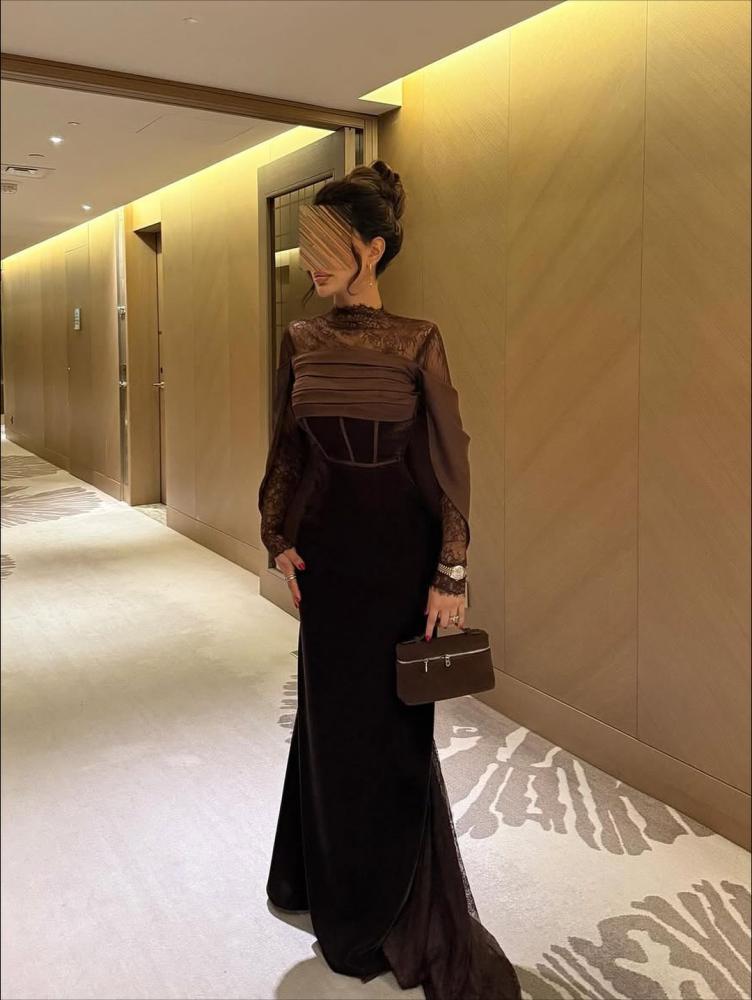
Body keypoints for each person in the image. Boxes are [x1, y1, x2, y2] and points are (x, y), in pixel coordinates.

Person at [258, 160, 522, 1000]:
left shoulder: (416, 340)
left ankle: (392, 903)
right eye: (306, 248)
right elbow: (287, 450)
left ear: (372, 250)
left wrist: (451, 571)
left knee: (393, 734)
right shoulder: (301, 340)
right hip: (328, 563)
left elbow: (446, 464)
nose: (310, 263)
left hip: (400, 561)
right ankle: (326, 883)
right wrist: (276, 534)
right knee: (330, 725)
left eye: (326, 247)